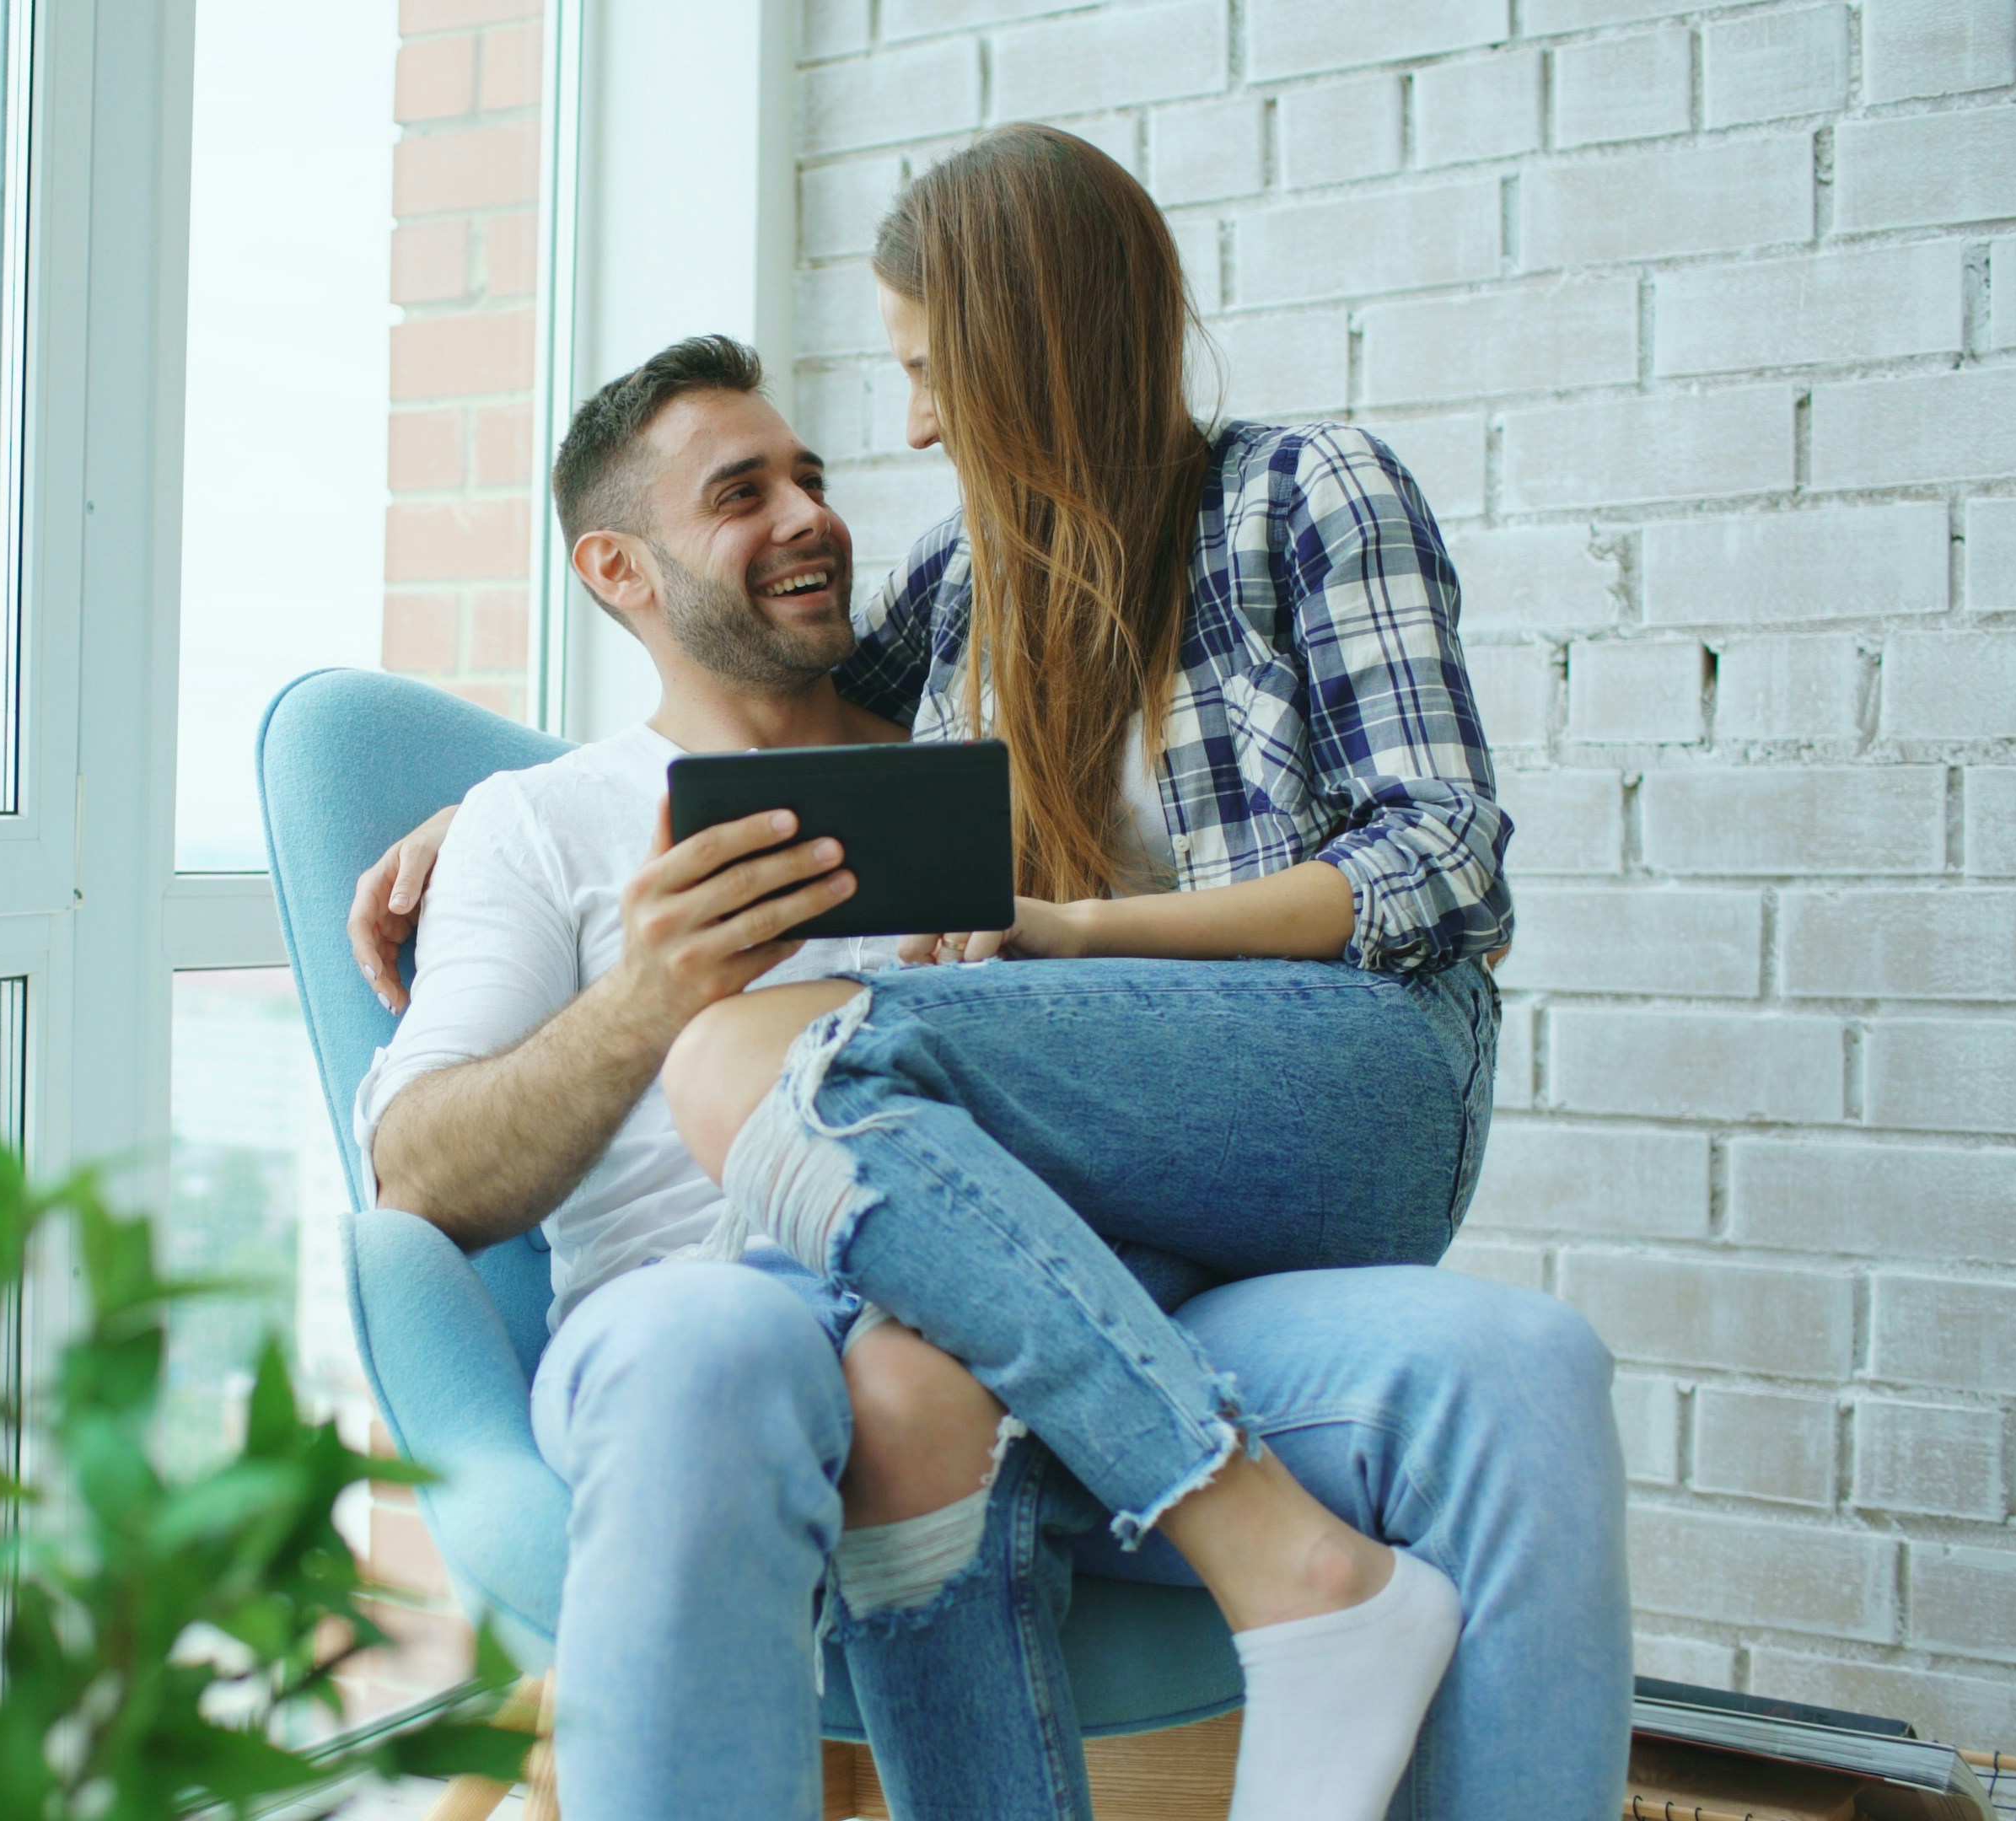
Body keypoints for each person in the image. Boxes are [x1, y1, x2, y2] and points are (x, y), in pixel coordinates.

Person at [354, 330, 1628, 1821]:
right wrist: (646, 999)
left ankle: (1292, 1573)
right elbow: (422, 1174)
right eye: (740, 492)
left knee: (1520, 1372)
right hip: (737, 1315)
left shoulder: (1002, 749)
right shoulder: (539, 823)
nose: (808, 515)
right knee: (704, 1350)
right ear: (618, 571)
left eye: (811, 478)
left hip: (1089, 1320)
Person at [642, 122, 1523, 1821]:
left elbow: (1438, 864)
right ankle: (1279, 1578)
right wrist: (495, 816)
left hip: (1357, 1086)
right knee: (905, 1392)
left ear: (1026, 343)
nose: (910, 427)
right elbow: (774, 727)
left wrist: (1082, 932)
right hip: (1108, 1153)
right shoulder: (965, 588)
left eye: (926, 370)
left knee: (743, 1058)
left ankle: (1287, 1565)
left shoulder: (1306, 493)